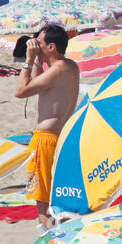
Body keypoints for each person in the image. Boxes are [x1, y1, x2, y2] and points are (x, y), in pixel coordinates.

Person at [13, 24, 81, 228]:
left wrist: (28, 60)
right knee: (60, 200)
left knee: (44, 207)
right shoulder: (69, 66)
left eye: (39, 43)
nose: (35, 45)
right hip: (63, 139)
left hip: (45, 140)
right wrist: (37, 60)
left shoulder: (56, 70)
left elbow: (21, 91)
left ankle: (51, 241)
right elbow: (39, 83)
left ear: (51, 47)